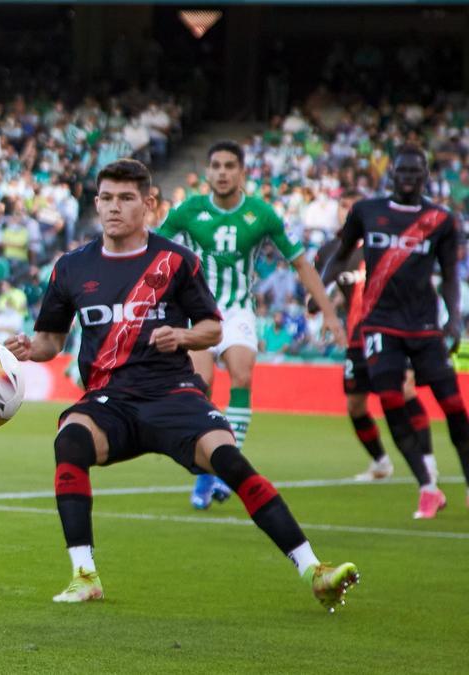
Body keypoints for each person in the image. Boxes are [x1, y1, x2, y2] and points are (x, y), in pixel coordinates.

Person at [6, 158, 358, 610]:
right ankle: (83, 574)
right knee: (69, 440)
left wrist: (184, 336)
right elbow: (51, 340)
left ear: (149, 204)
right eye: (107, 198)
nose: (114, 208)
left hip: (174, 394)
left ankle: (315, 569)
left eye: (126, 198)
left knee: (229, 460)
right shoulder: (72, 267)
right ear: (96, 203)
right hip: (109, 401)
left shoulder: (175, 262)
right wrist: (25, 348)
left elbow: (213, 328)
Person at [158, 140, 347, 510]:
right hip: (197, 312)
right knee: (201, 386)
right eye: (216, 165)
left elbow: (301, 264)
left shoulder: (262, 214)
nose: (223, 172)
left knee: (242, 376)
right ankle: (205, 473)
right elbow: (151, 252)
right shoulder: (187, 211)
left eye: (231, 165)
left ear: (242, 172)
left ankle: (229, 465)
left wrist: (327, 311)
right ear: (208, 172)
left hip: (239, 310)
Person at [325, 146, 469, 519]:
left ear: (424, 175)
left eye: (414, 172)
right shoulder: (367, 211)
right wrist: (321, 294)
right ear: (391, 174)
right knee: (390, 401)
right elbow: (339, 253)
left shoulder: (440, 220)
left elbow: (451, 277)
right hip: (379, 323)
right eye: (401, 171)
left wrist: (454, 318)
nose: (407, 177)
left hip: (423, 325)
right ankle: (427, 486)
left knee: (453, 405)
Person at [313, 208, 432, 483]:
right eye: (343, 206)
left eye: (354, 206)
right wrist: (326, 309)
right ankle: (380, 462)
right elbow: (339, 289)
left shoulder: (390, 245)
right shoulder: (336, 252)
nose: (348, 212)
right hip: (356, 338)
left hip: (390, 332)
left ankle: (428, 462)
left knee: (405, 390)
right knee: (355, 405)